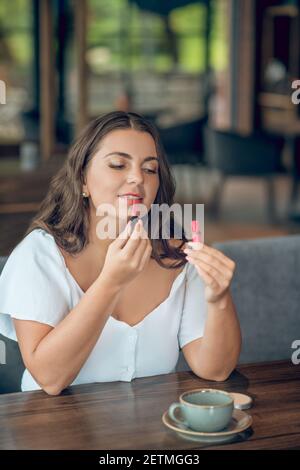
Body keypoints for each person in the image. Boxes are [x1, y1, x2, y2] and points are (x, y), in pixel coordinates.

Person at [0, 111, 241, 395]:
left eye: (150, 169)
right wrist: (111, 282)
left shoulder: (178, 256)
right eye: (118, 165)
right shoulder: (39, 255)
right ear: (82, 181)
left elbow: (215, 370)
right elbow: (50, 379)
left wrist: (219, 300)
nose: (137, 178)